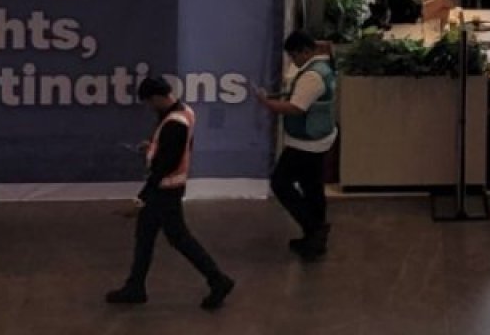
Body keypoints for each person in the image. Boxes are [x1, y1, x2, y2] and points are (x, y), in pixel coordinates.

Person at [109, 75, 233, 310]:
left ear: (157, 97)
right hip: (170, 187)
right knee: (147, 235)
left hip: (164, 190)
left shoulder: (175, 123)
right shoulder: (185, 112)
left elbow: (165, 165)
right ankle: (135, 286)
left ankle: (218, 279)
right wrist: (152, 149)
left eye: (149, 102)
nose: (149, 107)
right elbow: (172, 151)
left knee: (178, 238)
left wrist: (140, 199)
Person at [261, 31, 337, 259]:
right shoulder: (324, 69)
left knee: (281, 183)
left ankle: (315, 229)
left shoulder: (311, 76)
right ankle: (314, 237)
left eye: (294, 56)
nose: (294, 61)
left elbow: (296, 108)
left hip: (305, 143)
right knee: (312, 186)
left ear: (305, 51)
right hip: (319, 139)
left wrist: (267, 103)